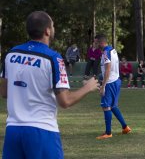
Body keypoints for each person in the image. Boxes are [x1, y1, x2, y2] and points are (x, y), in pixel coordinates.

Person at [0, 11, 99, 159]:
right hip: (42, 131)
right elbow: (65, 101)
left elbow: (4, 92)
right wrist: (88, 87)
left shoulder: (11, 54)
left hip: (13, 131)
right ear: (47, 30)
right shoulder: (53, 58)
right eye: (52, 26)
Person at [96, 34, 131, 139]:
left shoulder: (106, 52)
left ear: (101, 43)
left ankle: (108, 133)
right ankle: (125, 127)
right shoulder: (113, 50)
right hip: (116, 80)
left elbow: (108, 69)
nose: (94, 44)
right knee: (113, 106)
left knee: (105, 106)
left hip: (110, 82)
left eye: (96, 42)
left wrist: (103, 86)